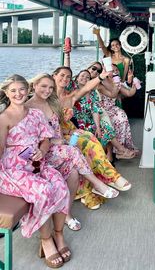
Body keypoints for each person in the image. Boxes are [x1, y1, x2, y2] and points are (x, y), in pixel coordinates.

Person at [26, 73, 118, 231]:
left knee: (74, 171)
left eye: (50, 87)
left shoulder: (52, 102)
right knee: (72, 151)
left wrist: (64, 135)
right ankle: (97, 184)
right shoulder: (27, 107)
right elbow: (26, 138)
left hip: (57, 150)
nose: (47, 90)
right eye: (43, 86)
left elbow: (57, 128)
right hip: (39, 155)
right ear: (34, 86)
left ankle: (67, 215)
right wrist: (54, 141)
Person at [0, 74, 70, 268]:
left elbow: (46, 139)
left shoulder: (36, 114)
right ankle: (45, 240)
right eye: (13, 90)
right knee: (43, 191)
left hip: (36, 163)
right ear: (6, 93)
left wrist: (42, 150)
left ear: (27, 89)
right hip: (13, 170)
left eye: (21, 89)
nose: (18, 94)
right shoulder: (3, 118)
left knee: (60, 185)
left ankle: (59, 234)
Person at [53, 66, 132, 210]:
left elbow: (87, 87)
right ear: (54, 76)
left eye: (68, 77)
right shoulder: (47, 98)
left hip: (72, 131)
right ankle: (104, 182)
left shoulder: (70, 96)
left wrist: (101, 77)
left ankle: (109, 177)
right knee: (86, 146)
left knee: (91, 139)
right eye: (62, 75)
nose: (65, 79)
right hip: (57, 136)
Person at [87, 62, 139, 155]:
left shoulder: (117, 83)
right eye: (112, 70)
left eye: (116, 70)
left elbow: (129, 93)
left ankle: (120, 148)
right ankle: (114, 151)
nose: (114, 72)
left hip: (111, 108)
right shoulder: (100, 82)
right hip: (100, 109)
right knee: (110, 120)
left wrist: (134, 84)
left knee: (121, 116)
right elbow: (112, 93)